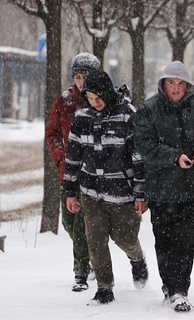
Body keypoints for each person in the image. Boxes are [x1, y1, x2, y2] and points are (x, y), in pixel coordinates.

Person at [133, 61, 194, 312]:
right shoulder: (148, 110)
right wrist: (174, 157)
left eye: (180, 84)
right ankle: (169, 284)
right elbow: (145, 145)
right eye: (171, 83)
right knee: (164, 240)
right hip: (161, 189)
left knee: (186, 241)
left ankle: (180, 289)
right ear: (163, 85)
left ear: (188, 86)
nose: (175, 88)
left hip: (191, 188)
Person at [63, 70, 149, 305]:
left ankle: (137, 258)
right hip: (91, 192)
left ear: (108, 92)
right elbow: (73, 156)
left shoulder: (127, 115)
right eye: (90, 98)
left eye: (98, 97)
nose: (95, 102)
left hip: (122, 192)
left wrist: (141, 193)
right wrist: (70, 191)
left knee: (124, 238)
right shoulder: (82, 116)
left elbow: (138, 157)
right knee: (96, 240)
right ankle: (104, 287)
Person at [45, 52, 100, 292]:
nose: (80, 81)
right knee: (69, 221)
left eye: (85, 76)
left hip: (91, 175)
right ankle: (92, 259)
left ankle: (81, 272)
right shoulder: (65, 101)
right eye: (77, 76)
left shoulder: (100, 101)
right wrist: (60, 159)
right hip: (67, 173)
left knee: (82, 226)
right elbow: (52, 133)